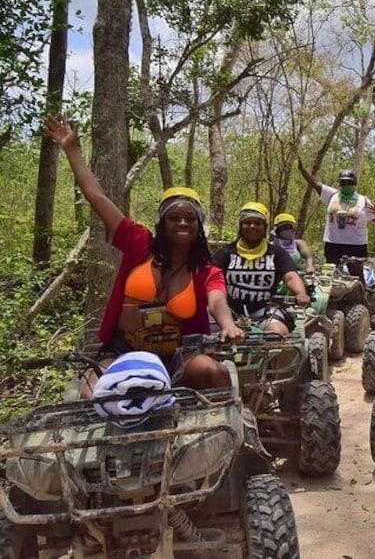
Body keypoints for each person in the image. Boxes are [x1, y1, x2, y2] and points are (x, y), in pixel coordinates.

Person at [45, 114, 244, 396]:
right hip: (124, 350)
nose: (183, 223)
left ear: (199, 225)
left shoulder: (206, 270)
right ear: (163, 223)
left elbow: (217, 299)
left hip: (179, 355)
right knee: (93, 392)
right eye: (174, 217)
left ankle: (229, 435)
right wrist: (72, 150)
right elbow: (97, 197)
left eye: (190, 218)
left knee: (214, 372)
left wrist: (227, 324)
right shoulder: (139, 243)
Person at [212, 202, 310, 335]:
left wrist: (301, 294)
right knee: (205, 334)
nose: (252, 226)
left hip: (264, 310)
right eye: (247, 222)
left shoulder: (277, 253)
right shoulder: (225, 253)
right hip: (228, 310)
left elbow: (291, 277)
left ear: (265, 227)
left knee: (278, 333)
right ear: (240, 226)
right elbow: (212, 282)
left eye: (258, 223)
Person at [298, 160, 375, 282]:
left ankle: (362, 298)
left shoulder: (363, 201)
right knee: (329, 272)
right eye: (343, 182)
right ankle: (330, 299)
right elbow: (315, 184)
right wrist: (302, 170)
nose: (345, 185)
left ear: (354, 184)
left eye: (349, 183)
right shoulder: (332, 195)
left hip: (356, 244)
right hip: (333, 242)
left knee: (356, 274)